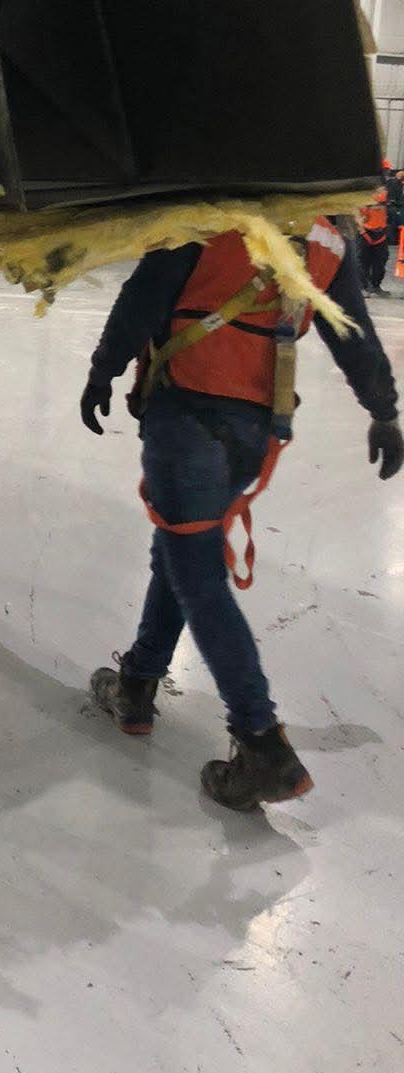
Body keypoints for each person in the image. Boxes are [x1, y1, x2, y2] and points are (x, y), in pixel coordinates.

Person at [80, 220, 402, 811]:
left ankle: (262, 744)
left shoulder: (206, 214)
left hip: (189, 419)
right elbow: (349, 330)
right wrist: (383, 409)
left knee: (199, 575)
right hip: (257, 429)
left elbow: (143, 299)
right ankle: (137, 684)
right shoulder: (329, 238)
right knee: (179, 553)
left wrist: (103, 369)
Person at [358, 173, 390, 295]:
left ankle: (376, 286)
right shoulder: (361, 196)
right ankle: (363, 287)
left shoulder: (384, 195)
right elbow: (356, 216)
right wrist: (363, 232)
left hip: (380, 232)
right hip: (364, 232)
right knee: (362, 261)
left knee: (381, 260)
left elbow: (384, 212)